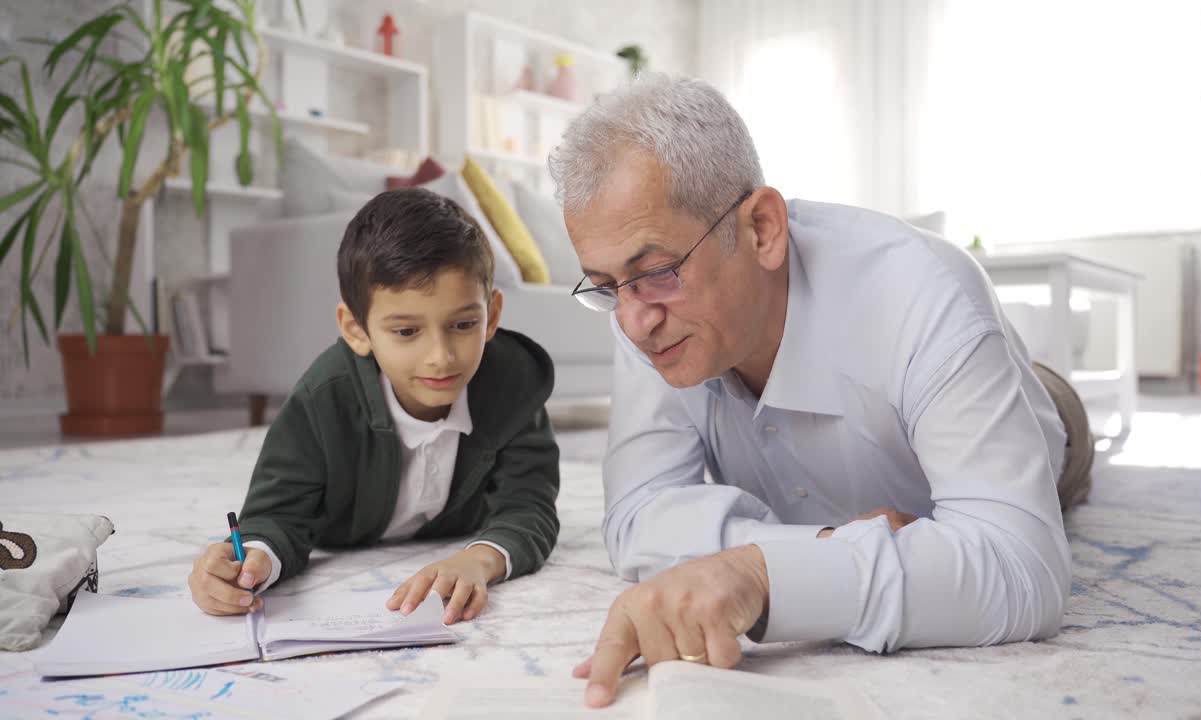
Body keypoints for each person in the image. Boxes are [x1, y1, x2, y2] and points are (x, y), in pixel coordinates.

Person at [547, 74, 1093, 708]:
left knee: (1051, 415)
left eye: (658, 272)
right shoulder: (643, 310)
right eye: (607, 286)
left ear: (761, 229)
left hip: (1043, 418)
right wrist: (824, 550)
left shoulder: (922, 292)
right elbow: (637, 517)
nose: (633, 321)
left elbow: (1023, 569)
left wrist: (762, 575)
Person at [187, 187, 560, 625]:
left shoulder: (515, 381)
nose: (441, 356)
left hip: (459, 530)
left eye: (463, 324)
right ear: (357, 329)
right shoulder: (323, 397)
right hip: (341, 536)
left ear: (492, 315)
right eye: (406, 332)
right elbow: (276, 515)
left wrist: (478, 560)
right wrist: (250, 564)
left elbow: (529, 506)